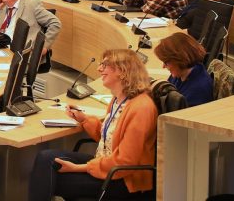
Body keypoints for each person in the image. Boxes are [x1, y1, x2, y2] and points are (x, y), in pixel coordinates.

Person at [27, 49, 156, 200]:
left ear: (122, 71)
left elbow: (126, 161)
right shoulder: (118, 99)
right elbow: (108, 137)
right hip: (105, 164)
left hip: (123, 178)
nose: (99, 69)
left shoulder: (141, 108)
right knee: (45, 158)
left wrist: (81, 168)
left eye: (105, 65)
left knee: (47, 178)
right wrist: (84, 120)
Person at [153, 32, 213, 106]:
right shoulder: (181, 72)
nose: (163, 66)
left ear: (179, 60)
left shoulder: (198, 90)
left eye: (166, 62)